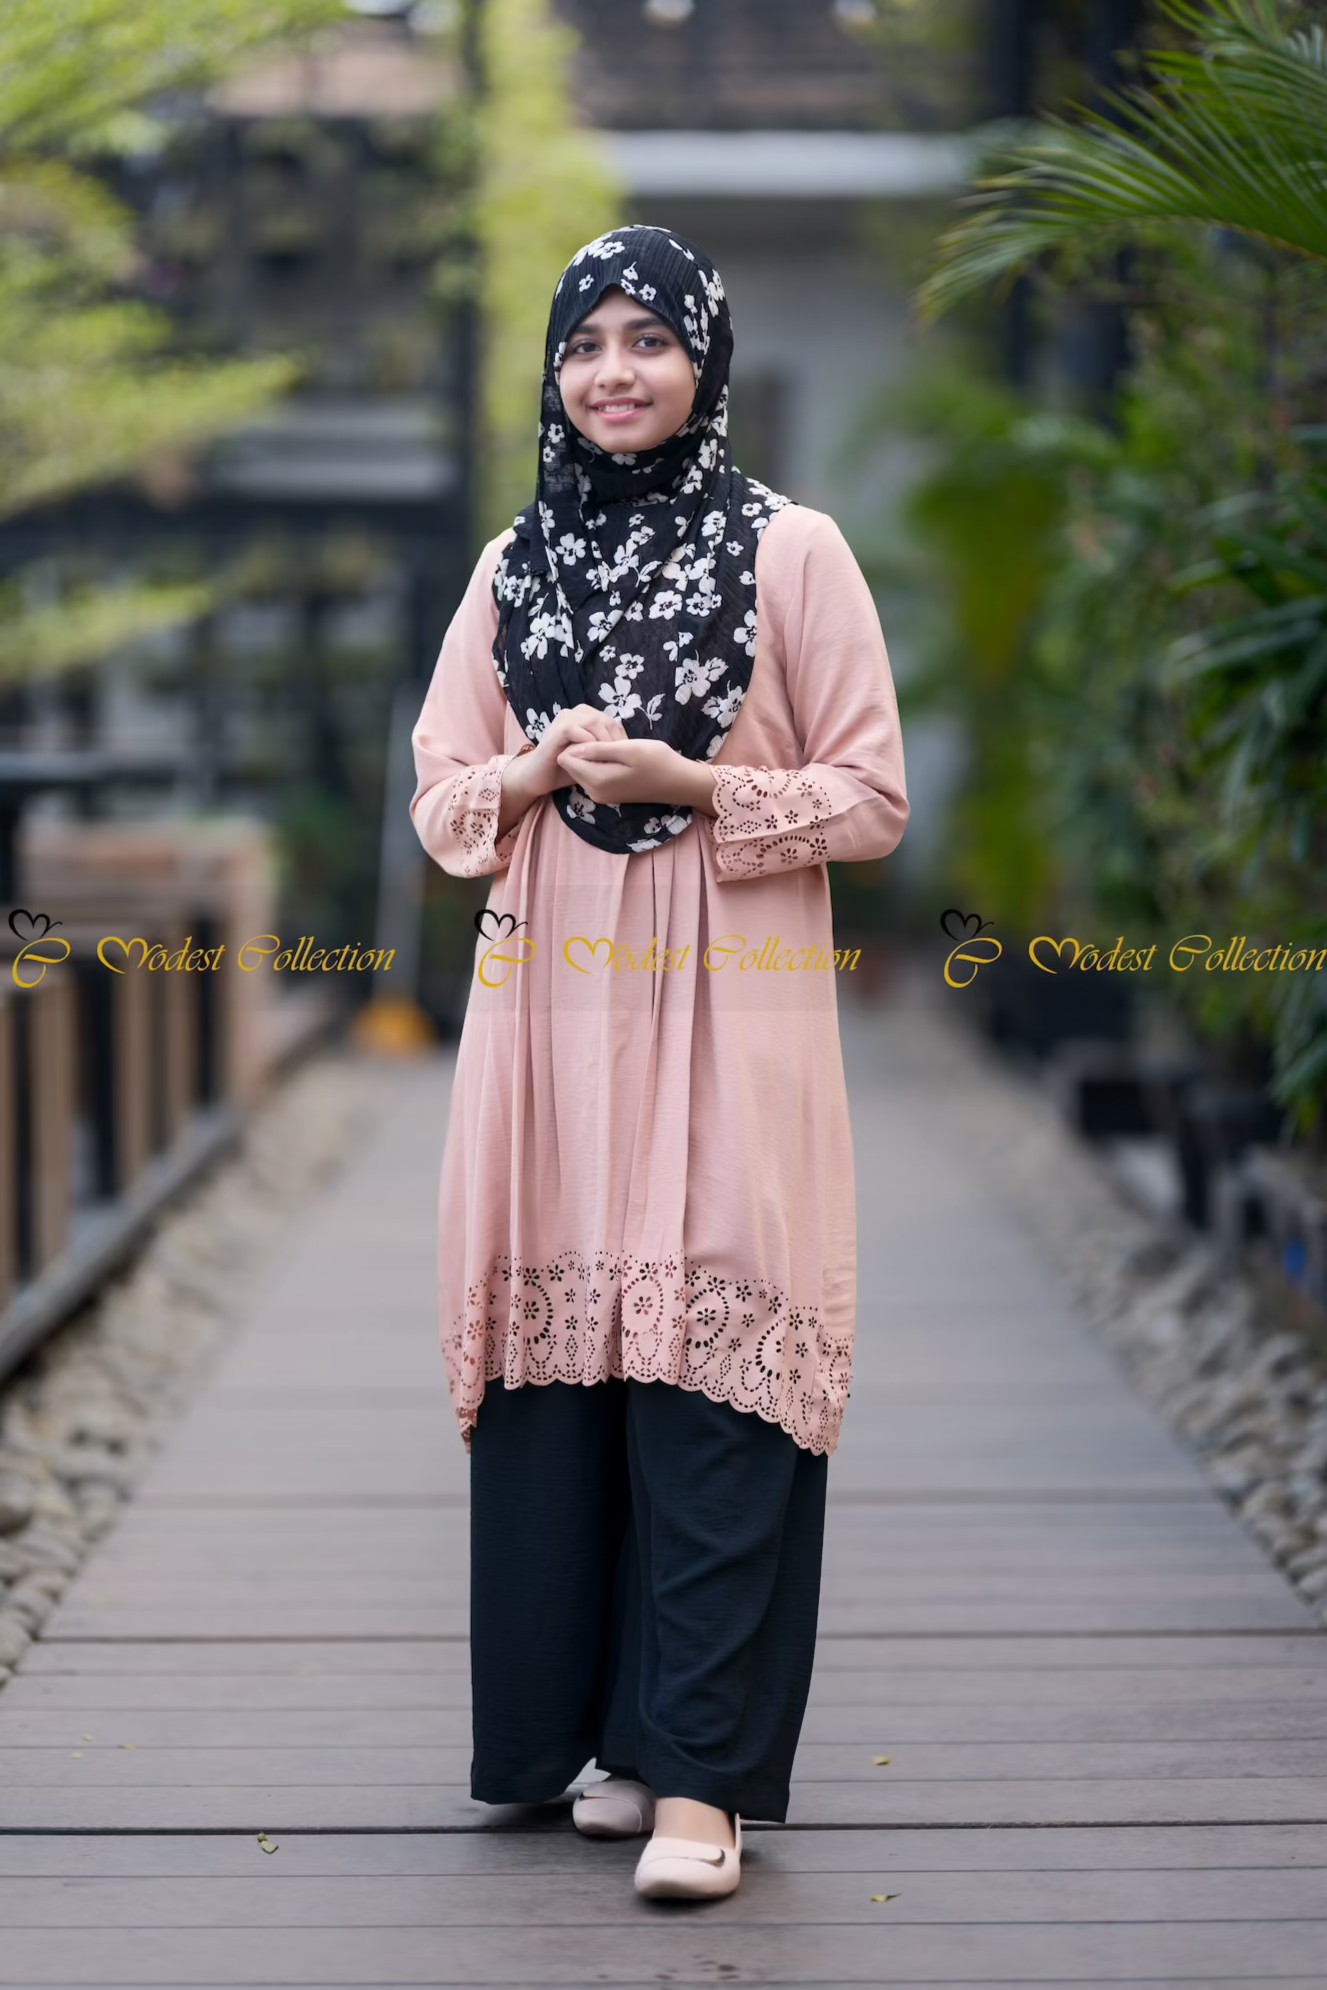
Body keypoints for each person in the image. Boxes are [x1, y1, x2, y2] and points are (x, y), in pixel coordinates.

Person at [410, 224, 908, 1902]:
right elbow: (440, 799)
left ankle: (706, 1780)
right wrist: (533, 771)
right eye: (584, 345)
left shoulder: (792, 552)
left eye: (648, 339)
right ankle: (609, 1741)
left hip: (726, 1001)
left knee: (711, 1355)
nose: (612, 372)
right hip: (548, 1011)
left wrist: (691, 786)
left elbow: (871, 797)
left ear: (706, 360)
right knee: (572, 1375)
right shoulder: (514, 566)